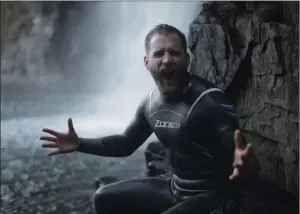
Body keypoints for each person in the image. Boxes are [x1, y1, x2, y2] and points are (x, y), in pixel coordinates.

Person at [40, 24, 259, 214]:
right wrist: (80, 144)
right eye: (159, 54)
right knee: (103, 197)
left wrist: (247, 166)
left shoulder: (210, 101)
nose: (166, 60)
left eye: (174, 53)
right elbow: (126, 143)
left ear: (187, 59)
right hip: (176, 189)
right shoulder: (151, 104)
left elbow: (240, 153)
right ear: (147, 62)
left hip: (217, 196)